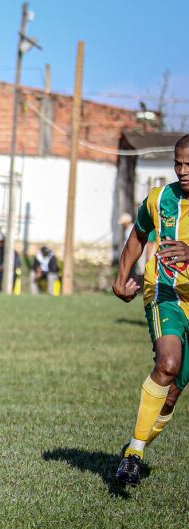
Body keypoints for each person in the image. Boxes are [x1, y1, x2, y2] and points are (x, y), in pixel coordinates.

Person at [114, 134, 189, 486]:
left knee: (171, 396)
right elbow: (138, 235)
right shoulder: (161, 200)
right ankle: (134, 456)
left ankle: (135, 443)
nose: (182, 170)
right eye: (178, 163)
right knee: (168, 364)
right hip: (165, 291)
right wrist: (121, 277)